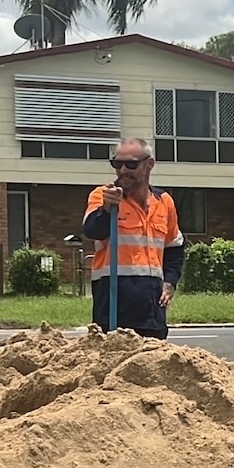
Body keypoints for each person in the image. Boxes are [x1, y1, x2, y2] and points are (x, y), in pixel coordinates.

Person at [83, 140, 185, 339]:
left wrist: (170, 282)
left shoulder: (164, 202)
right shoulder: (103, 196)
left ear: (149, 164)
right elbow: (92, 230)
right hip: (114, 305)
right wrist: (106, 209)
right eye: (117, 164)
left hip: (151, 308)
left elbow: (174, 246)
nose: (122, 170)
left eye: (130, 165)